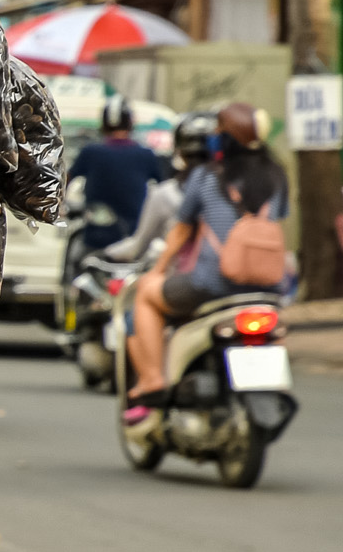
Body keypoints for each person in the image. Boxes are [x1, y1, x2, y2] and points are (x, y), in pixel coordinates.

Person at [123, 101, 289, 420]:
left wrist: (158, 271)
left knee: (145, 293)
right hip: (267, 287)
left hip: (212, 284)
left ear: (227, 140)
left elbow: (180, 230)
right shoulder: (277, 177)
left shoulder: (206, 176)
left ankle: (152, 379)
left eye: (218, 132)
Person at [102, 110, 216, 263]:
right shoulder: (232, 190)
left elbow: (138, 247)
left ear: (179, 149)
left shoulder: (166, 194)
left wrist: (103, 254)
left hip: (179, 278)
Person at [68, 93, 165, 251]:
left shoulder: (90, 152)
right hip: (134, 237)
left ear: (104, 123)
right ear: (130, 123)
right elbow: (165, 187)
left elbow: (67, 179)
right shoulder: (146, 155)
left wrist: (58, 206)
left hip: (96, 236)